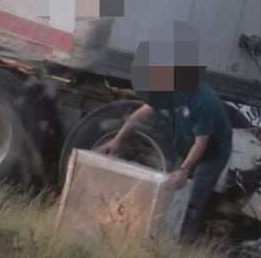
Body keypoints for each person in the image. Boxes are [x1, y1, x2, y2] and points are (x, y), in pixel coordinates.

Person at [99, 62, 233, 240]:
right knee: (170, 188)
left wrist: (184, 170)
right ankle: (157, 234)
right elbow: (140, 115)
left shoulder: (204, 102)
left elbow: (201, 144)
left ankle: (180, 243)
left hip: (213, 153)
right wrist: (117, 140)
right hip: (186, 144)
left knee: (193, 199)